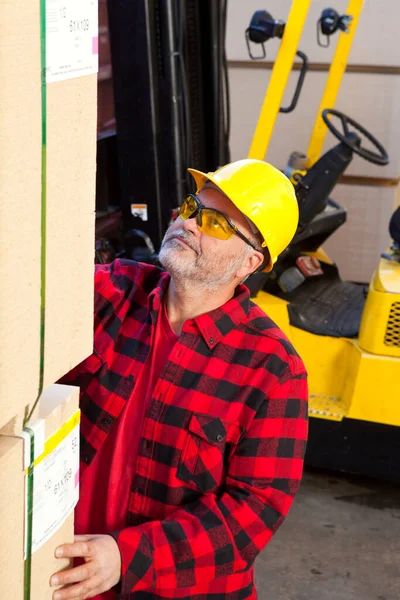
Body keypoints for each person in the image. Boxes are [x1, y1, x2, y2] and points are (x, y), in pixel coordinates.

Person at [51, 159, 308, 600]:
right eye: (192, 207)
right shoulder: (112, 293)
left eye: (217, 224)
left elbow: (254, 512)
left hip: (172, 589)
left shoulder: (274, 370)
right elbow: (30, 282)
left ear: (250, 262)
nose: (188, 223)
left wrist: (128, 557)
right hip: (63, 574)